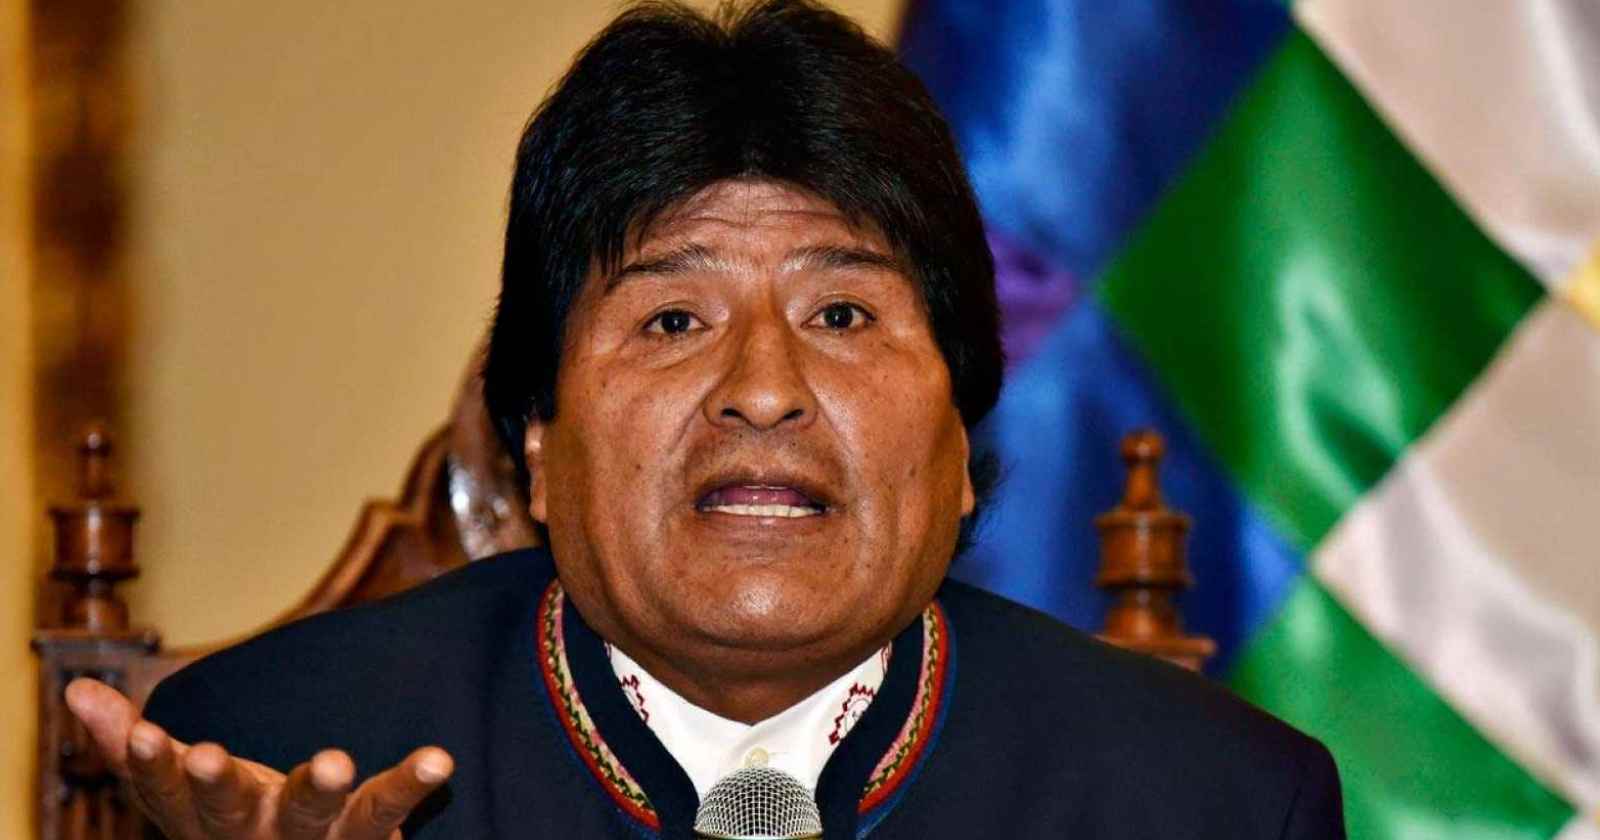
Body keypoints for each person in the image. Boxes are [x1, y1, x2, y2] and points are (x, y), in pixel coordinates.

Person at [65, 1, 1347, 837]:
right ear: (536, 446)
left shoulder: (1212, 804)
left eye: (842, 313)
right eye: (673, 318)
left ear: (963, 444)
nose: (763, 386)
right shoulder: (273, 760)